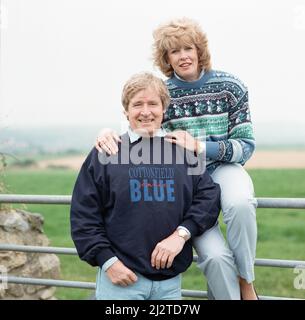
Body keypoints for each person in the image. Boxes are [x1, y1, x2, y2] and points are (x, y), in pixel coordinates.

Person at [95, 18, 258, 300]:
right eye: (174, 51)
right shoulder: (164, 93)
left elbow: (246, 146)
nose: (182, 56)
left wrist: (199, 146)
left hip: (224, 168)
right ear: (166, 57)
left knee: (240, 203)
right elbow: (140, 126)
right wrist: (107, 132)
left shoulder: (232, 86)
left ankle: (246, 280)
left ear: (199, 51)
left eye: (188, 49)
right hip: (189, 182)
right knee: (216, 258)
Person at [70, 72, 221, 300]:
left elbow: (208, 198)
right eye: (137, 104)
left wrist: (181, 235)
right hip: (120, 280)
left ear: (164, 109)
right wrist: (108, 262)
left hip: (169, 283)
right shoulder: (107, 153)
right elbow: (84, 215)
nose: (145, 111)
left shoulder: (183, 151)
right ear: (126, 111)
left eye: (153, 104)